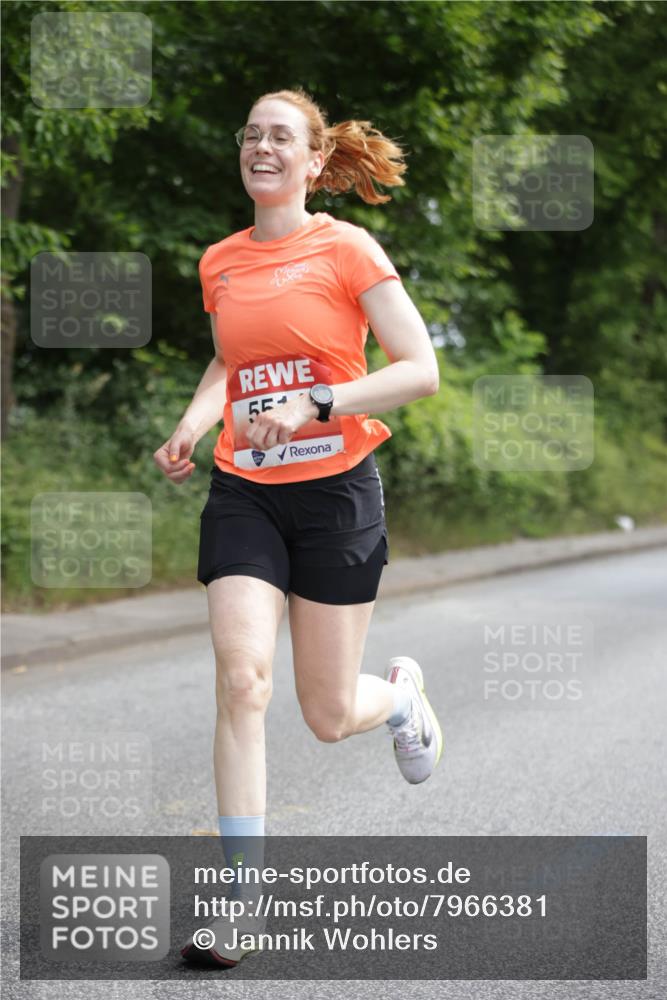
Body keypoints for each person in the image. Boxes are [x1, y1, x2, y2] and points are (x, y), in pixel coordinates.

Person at [153, 86, 443, 968]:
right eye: (250, 135)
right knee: (242, 682)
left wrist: (317, 401)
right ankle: (241, 903)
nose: (261, 147)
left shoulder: (347, 247)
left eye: (281, 137)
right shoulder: (221, 260)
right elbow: (229, 357)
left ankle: (398, 698)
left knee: (324, 713)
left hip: (336, 493)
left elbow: (419, 369)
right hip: (246, 489)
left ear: (314, 162)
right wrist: (199, 419)